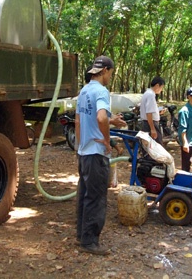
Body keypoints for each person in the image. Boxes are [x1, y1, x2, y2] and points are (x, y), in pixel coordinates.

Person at [75, 56, 124, 255]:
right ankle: (90, 242)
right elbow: (101, 117)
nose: (110, 78)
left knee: (84, 195)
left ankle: (82, 235)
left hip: (84, 152)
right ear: (105, 70)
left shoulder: (84, 91)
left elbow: (79, 121)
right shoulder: (102, 91)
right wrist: (106, 139)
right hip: (96, 153)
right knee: (96, 198)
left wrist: (79, 147)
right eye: (110, 74)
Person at [140, 76, 165, 144]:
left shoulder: (147, 93)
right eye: (161, 87)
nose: (161, 90)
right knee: (156, 147)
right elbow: (149, 113)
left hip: (147, 123)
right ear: (157, 85)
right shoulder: (150, 95)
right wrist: (153, 129)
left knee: (148, 147)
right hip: (150, 124)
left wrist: (158, 112)